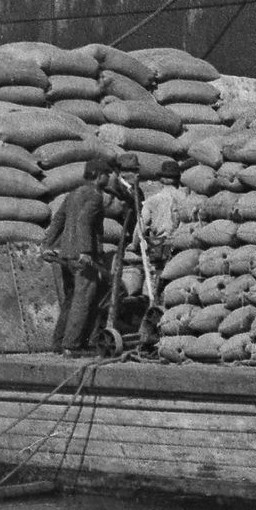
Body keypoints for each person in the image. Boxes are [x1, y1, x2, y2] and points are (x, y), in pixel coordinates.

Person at [47, 135, 132, 356]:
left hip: (66, 254)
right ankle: (72, 345)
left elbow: (59, 219)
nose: (108, 178)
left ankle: (58, 342)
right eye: (106, 174)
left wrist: (46, 244)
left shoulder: (73, 193)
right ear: (97, 176)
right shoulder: (95, 196)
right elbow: (84, 222)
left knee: (71, 299)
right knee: (84, 299)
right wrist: (86, 251)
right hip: (83, 257)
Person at [120, 167, 193, 355]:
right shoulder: (186, 199)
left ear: (161, 180)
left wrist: (134, 245)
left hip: (160, 248)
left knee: (157, 291)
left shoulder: (154, 200)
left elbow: (140, 227)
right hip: (183, 251)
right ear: (178, 180)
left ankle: (153, 334)